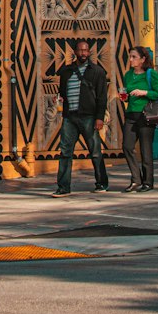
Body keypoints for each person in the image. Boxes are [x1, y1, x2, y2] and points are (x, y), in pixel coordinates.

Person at [48, 38, 109, 197]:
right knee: (65, 152)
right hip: (70, 117)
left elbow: (102, 97)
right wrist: (58, 99)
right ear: (75, 52)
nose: (83, 53)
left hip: (89, 116)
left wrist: (99, 118)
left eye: (86, 50)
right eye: (80, 50)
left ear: (89, 52)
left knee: (95, 151)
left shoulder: (97, 71)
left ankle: (101, 183)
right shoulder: (66, 71)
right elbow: (62, 92)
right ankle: (63, 187)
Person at [119, 45, 158, 193]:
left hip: (146, 115)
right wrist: (124, 96)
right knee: (127, 146)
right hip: (131, 114)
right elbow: (126, 93)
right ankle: (136, 178)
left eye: (134, 57)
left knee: (145, 149)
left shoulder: (150, 74)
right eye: (130, 57)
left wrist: (143, 92)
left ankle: (148, 181)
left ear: (143, 59)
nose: (131, 60)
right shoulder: (128, 75)